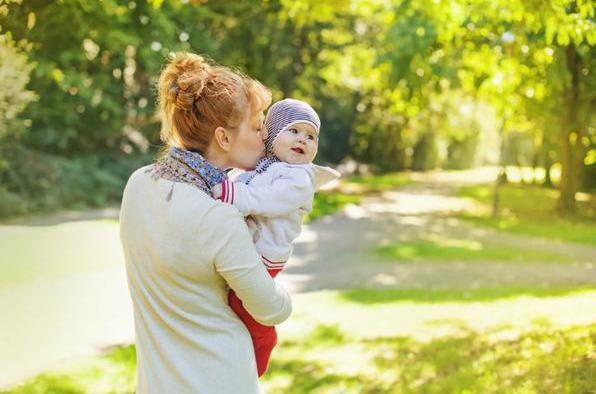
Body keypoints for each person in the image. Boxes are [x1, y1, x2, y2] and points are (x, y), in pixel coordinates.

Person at [119, 52, 292, 394]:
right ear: (224, 139)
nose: (266, 137)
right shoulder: (217, 216)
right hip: (221, 380)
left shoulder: (137, 184)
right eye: (258, 127)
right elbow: (271, 309)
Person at [212, 98, 340, 376]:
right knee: (228, 300)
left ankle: (261, 345)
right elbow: (240, 185)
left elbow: (270, 200)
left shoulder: (299, 178)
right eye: (293, 131)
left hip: (266, 254)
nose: (302, 140)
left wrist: (233, 196)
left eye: (311, 136)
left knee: (241, 303)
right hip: (251, 247)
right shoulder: (262, 168)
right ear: (271, 135)